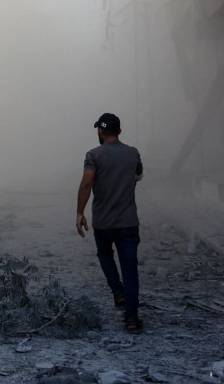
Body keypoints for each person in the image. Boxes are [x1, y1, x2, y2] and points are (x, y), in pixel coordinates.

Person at [75, 113, 144, 333]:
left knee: (105, 255)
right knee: (130, 269)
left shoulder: (93, 155)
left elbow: (87, 184)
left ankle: (118, 291)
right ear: (119, 132)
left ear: (100, 132)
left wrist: (79, 212)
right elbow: (138, 176)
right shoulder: (133, 153)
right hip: (128, 221)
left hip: (103, 222)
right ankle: (131, 318)